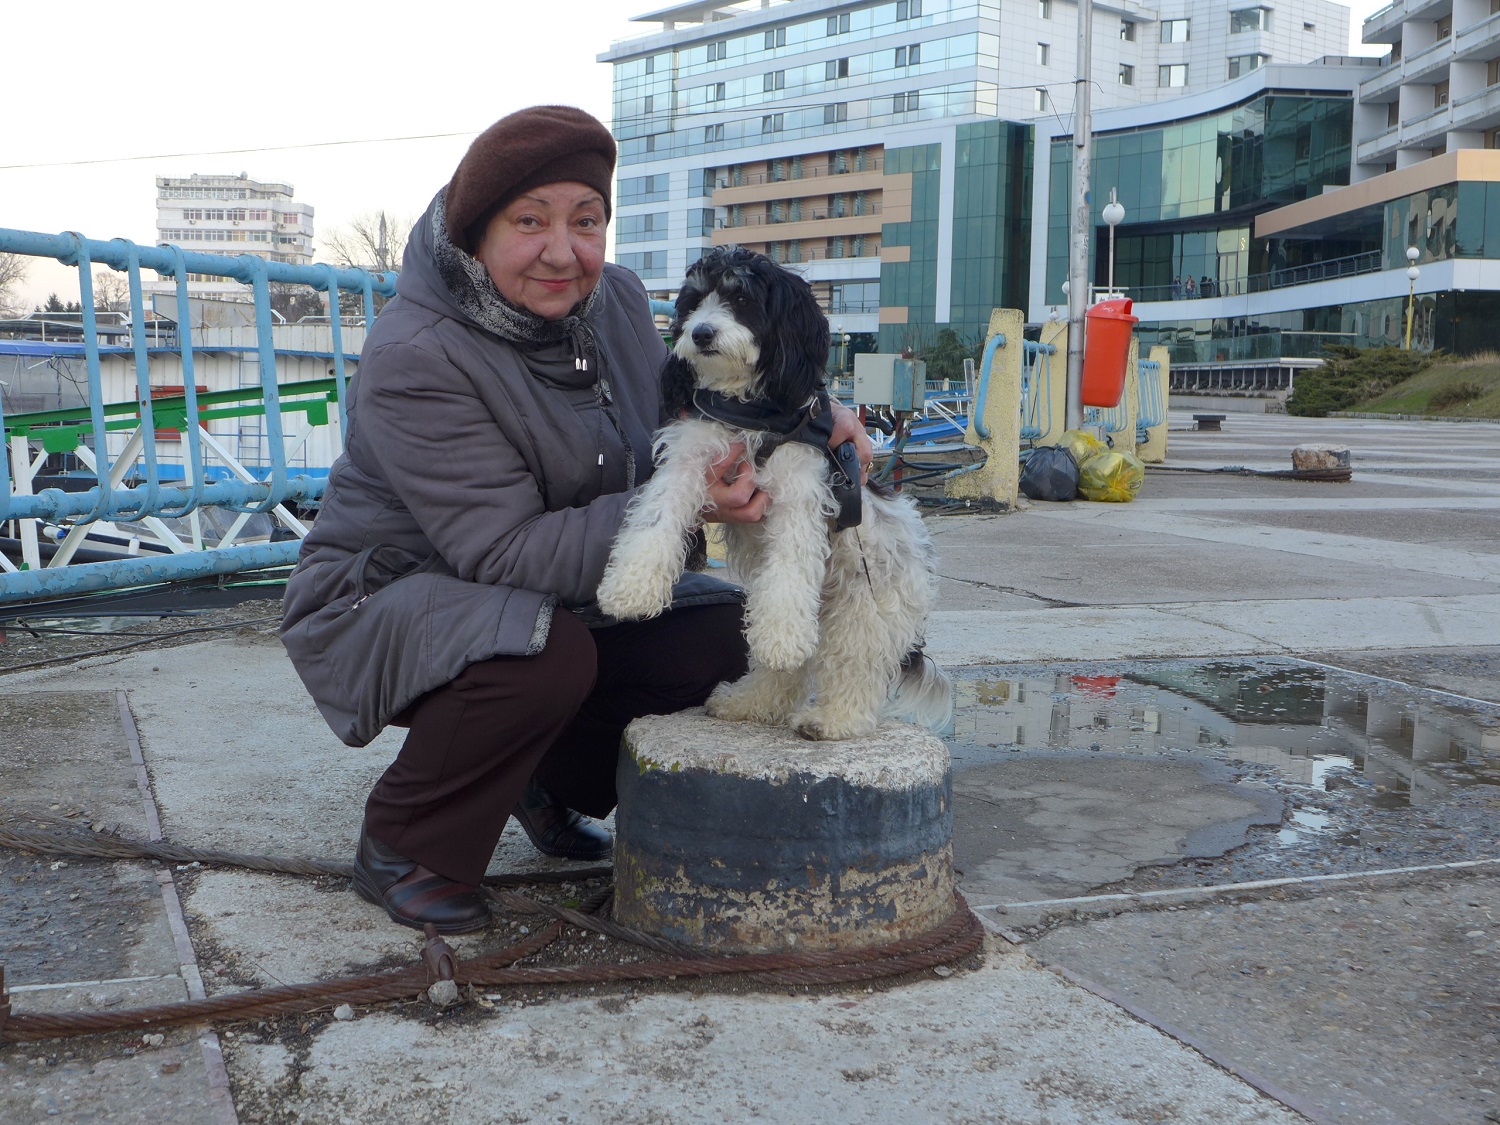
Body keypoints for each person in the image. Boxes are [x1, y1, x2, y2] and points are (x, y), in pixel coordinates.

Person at [279, 105, 873, 934]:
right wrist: (692, 503)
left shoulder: (620, 301)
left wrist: (821, 414)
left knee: (723, 636)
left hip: (558, 591)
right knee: (541, 657)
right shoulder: (416, 353)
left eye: (585, 221)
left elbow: (711, 397)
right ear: (476, 230)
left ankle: (546, 776)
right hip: (391, 596)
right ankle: (406, 845)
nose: (564, 250)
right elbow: (501, 549)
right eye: (531, 221)